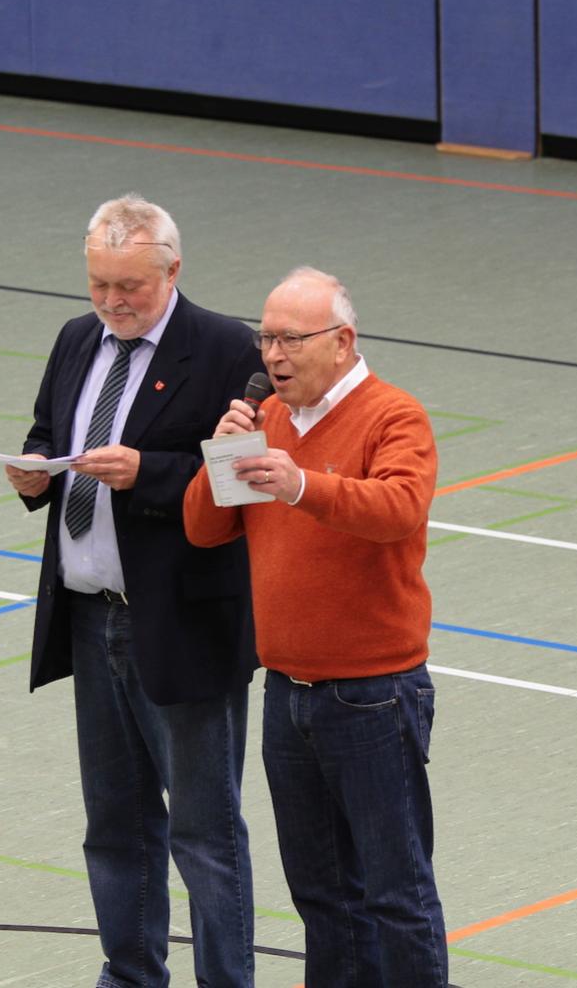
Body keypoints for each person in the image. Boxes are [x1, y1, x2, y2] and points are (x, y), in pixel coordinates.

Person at [5, 194, 264, 988]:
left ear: (172, 270)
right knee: (115, 825)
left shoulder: (225, 349)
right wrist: (32, 472)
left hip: (184, 626)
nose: (112, 303)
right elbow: (49, 433)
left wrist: (146, 473)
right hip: (91, 621)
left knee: (204, 837)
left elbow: (243, 486)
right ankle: (130, 976)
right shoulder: (76, 339)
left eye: (130, 287)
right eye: (99, 285)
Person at [182, 267, 448, 986]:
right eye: (266, 338)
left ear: (342, 341)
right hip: (288, 695)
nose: (273, 355)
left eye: (291, 339)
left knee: (396, 893)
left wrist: (300, 484)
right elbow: (204, 528)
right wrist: (221, 452)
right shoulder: (264, 419)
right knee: (322, 895)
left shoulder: (393, 416)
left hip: (373, 695)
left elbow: (398, 509)